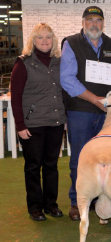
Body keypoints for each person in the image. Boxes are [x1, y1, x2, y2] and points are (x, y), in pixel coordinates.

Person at [60, 6, 111, 221]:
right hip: (80, 111)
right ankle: (77, 201)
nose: (94, 23)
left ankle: (100, 199)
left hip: (106, 114)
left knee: (104, 158)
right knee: (80, 158)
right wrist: (94, 100)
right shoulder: (71, 43)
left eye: (98, 20)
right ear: (83, 22)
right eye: (90, 20)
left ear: (102, 23)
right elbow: (67, 79)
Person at [11, 23, 67, 221]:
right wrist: (20, 126)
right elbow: (15, 97)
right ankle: (35, 206)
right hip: (32, 124)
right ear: (32, 41)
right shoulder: (23, 63)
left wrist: (65, 117)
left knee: (51, 165)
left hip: (55, 121)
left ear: (53, 40)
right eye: (40, 37)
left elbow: (64, 92)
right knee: (33, 166)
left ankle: (51, 204)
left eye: (48, 37)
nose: (45, 41)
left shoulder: (60, 63)